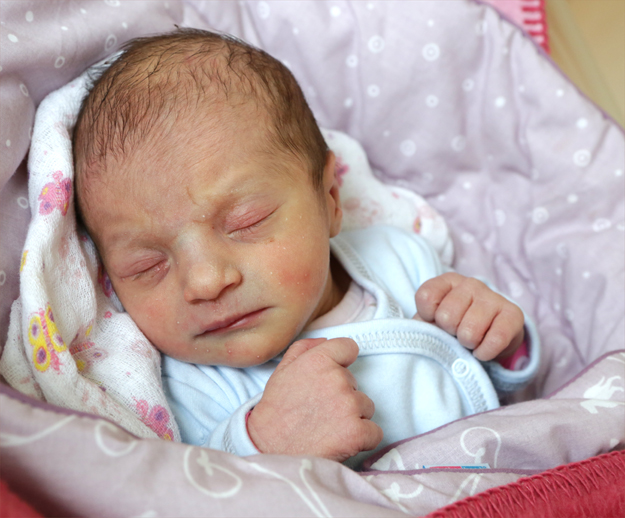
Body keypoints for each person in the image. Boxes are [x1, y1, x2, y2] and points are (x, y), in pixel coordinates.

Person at [73, 28, 538, 466]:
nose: (205, 281)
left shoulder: (397, 257)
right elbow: (196, 491)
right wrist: (264, 444)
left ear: (330, 199)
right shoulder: (190, 386)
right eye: (147, 265)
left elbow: (496, 391)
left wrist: (496, 336)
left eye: (245, 222)